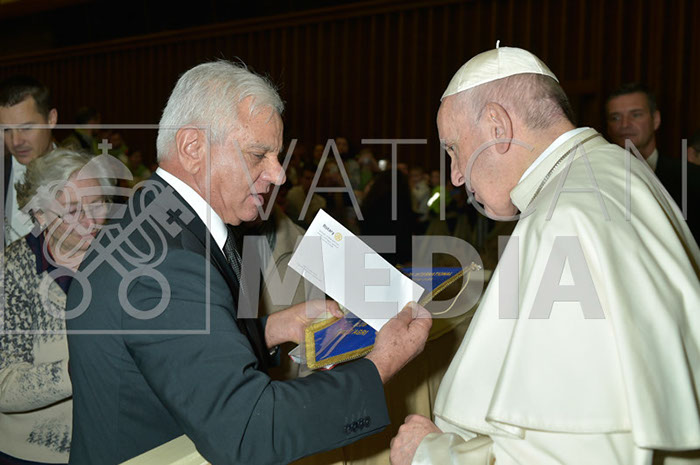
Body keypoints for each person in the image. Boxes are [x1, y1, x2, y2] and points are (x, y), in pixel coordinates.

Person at [65, 61, 432, 465]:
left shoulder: (155, 218)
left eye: (277, 156)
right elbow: (248, 431)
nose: (278, 175)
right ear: (192, 147)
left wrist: (273, 328)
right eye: (259, 155)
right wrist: (381, 365)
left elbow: (170, 352)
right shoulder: (169, 260)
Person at [390, 46, 700, 464]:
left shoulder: (563, 219)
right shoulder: (614, 168)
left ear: (497, 126)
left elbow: (574, 454)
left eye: (453, 149)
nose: (456, 175)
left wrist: (428, 454)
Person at [0, 148, 110, 464]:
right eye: (73, 211)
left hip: (114, 441)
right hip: (37, 452)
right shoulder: (13, 271)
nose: (91, 221)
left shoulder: (120, 256)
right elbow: (4, 386)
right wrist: (77, 369)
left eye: (98, 203)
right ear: (41, 215)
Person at [606, 83, 700, 240]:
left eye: (636, 115)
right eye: (615, 117)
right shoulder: (598, 180)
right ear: (608, 127)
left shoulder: (692, 178)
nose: (624, 124)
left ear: (655, 120)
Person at [0, 76, 58, 245]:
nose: (16, 141)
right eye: (6, 130)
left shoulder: (82, 176)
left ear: (51, 119)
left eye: (26, 128)